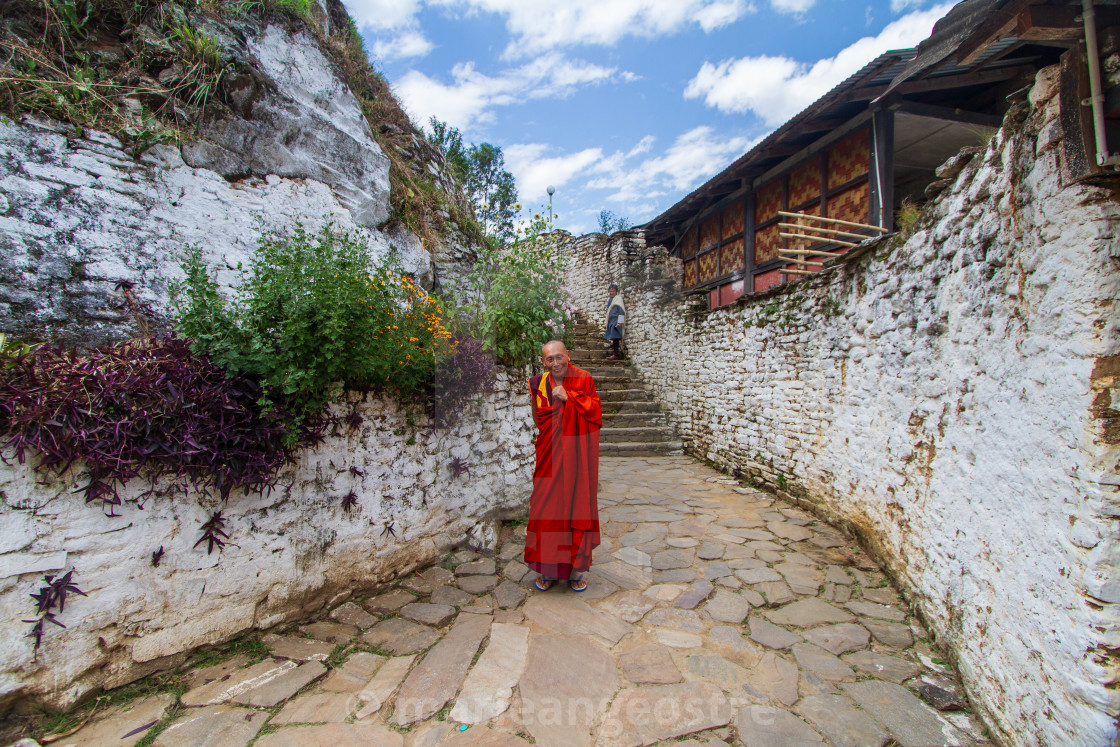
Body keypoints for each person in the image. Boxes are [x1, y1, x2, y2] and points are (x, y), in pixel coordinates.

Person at [524, 340, 602, 592]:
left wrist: (570, 399)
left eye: (559, 357)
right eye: (550, 359)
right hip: (550, 457)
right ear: (543, 362)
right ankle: (547, 570)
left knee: (576, 507)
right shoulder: (537, 384)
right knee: (546, 510)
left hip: (577, 459)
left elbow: (596, 413)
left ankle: (575, 570)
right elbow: (540, 418)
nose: (555, 363)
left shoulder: (584, 378)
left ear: (568, 355)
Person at [604, 283, 625, 360]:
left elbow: (621, 311)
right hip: (611, 321)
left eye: (613, 291)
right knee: (613, 337)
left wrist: (620, 322)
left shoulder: (618, 299)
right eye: (610, 291)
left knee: (616, 337)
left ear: (616, 291)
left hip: (616, 321)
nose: (611, 292)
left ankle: (615, 354)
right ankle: (615, 353)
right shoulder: (610, 300)